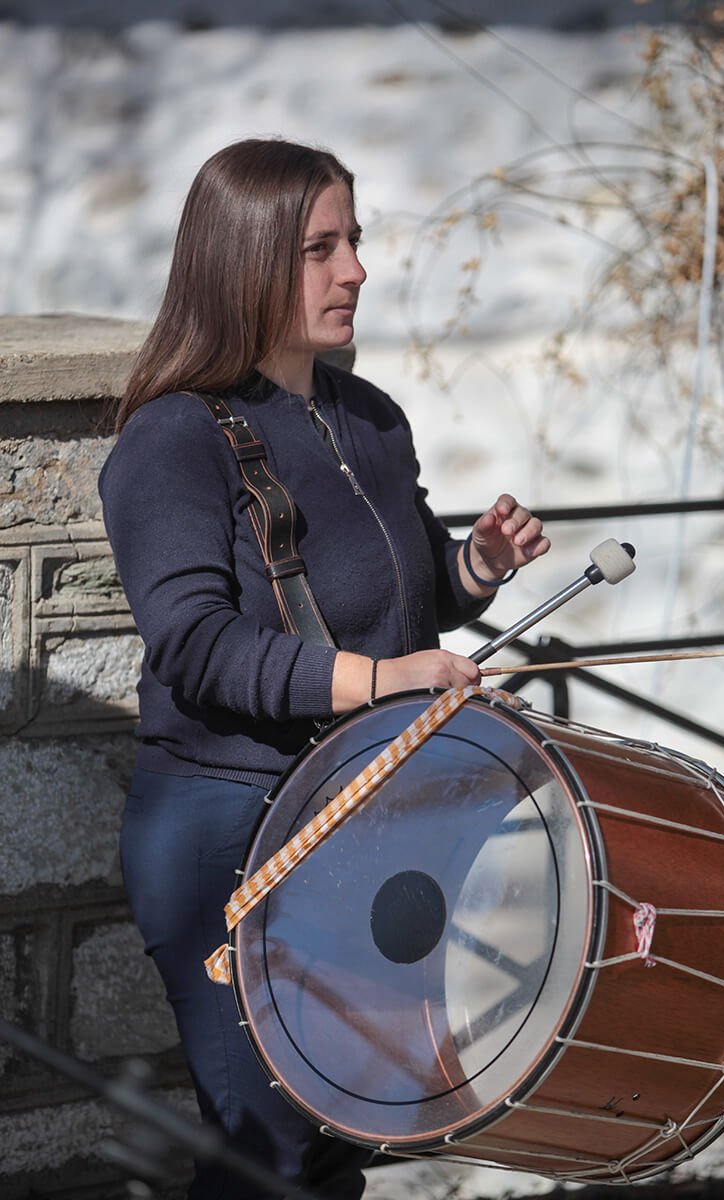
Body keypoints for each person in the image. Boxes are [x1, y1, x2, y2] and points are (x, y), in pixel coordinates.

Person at [99, 137, 550, 1200]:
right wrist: (381, 681)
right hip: (230, 841)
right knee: (271, 1165)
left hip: (365, 821)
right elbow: (197, 647)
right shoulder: (171, 440)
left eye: (354, 241)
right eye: (319, 248)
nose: (354, 270)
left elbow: (392, 593)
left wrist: (474, 565)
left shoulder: (368, 417)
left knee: (347, 1140)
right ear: (242, 260)